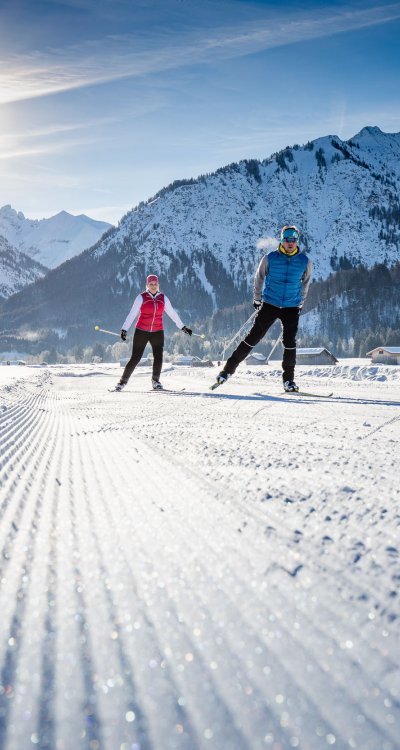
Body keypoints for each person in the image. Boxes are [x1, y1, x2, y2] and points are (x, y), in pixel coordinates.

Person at [216, 225, 312, 392]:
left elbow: (306, 283)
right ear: (282, 240)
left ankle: (288, 381)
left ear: (297, 241)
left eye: (293, 239)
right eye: (287, 239)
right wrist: (257, 297)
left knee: (290, 343)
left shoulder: (305, 262)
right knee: (253, 337)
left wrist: (301, 302)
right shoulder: (270, 258)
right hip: (270, 303)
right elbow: (259, 277)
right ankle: (227, 371)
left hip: (291, 306)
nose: (290, 242)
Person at [114, 274, 192, 391]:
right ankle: (122, 382)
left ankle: (155, 381)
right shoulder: (141, 297)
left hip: (157, 331)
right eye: (151, 284)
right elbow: (132, 314)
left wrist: (183, 327)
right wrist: (124, 329)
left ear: (158, 285)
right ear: (147, 285)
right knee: (136, 358)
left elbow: (172, 314)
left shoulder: (163, 298)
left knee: (158, 357)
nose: (153, 286)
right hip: (141, 331)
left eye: (155, 284)